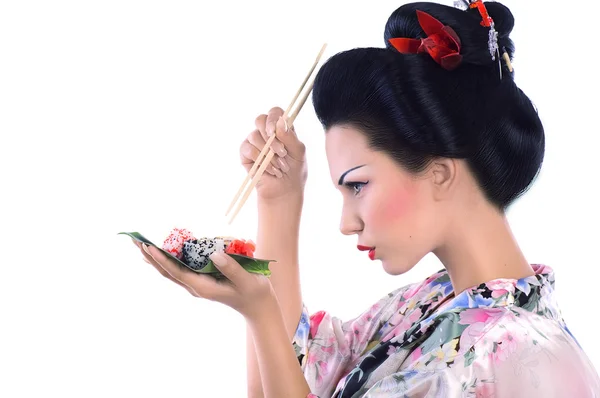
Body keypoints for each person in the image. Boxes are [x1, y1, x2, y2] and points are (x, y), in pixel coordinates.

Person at [133, 1, 600, 397]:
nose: (346, 223)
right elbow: (300, 373)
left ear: (439, 173)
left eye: (357, 185)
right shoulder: (434, 299)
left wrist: (259, 310)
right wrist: (279, 198)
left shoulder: (521, 356)